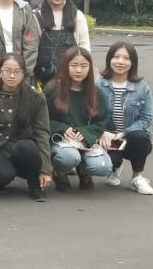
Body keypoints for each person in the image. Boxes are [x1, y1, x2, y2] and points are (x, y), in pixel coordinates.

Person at [0, 53, 51, 201]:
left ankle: (34, 183)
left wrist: (45, 169)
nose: (12, 76)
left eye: (17, 72)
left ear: (23, 73)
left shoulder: (36, 97)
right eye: (7, 71)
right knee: (2, 175)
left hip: (21, 147)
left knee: (27, 147)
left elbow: (42, 133)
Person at [45, 47, 113, 189]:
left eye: (84, 66)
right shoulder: (52, 88)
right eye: (74, 65)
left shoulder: (96, 92)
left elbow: (102, 120)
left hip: (85, 141)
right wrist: (62, 128)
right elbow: (41, 118)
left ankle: (84, 170)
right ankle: (59, 172)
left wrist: (86, 132)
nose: (78, 70)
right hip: (60, 140)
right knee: (69, 157)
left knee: (103, 167)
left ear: (90, 68)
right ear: (66, 66)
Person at [97, 41, 153, 195]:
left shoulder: (142, 88)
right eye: (116, 57)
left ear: (133, 62)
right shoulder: (98, 85)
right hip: (107, 138)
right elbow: (90, 114)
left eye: (126, 58)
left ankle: (137, 178)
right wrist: (100, 133)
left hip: (130, 138)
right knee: (107, 164)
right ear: (109, 59)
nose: (120, 62)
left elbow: (146, 119)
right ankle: (115, 167)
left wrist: (124, 133)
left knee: (140, 137)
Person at [34, 0, 91, 85]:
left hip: (72, 76)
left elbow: (84, 47)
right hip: (43, 76)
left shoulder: (77, 16)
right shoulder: (36, 16)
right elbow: (32, 48)